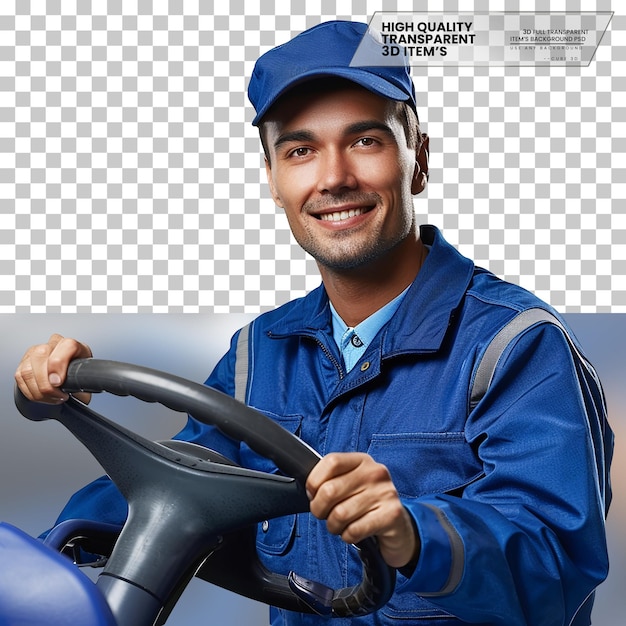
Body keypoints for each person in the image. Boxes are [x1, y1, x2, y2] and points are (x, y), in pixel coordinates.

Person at [15, 20, 613, 626]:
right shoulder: (259, 352)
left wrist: (412, 533)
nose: (333, 178)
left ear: (419, 160)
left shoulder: (515, 347)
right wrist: (40, 551)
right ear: (275, 180)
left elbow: (557, 562)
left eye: (365, 141)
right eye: (300, 150)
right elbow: (178, 482)